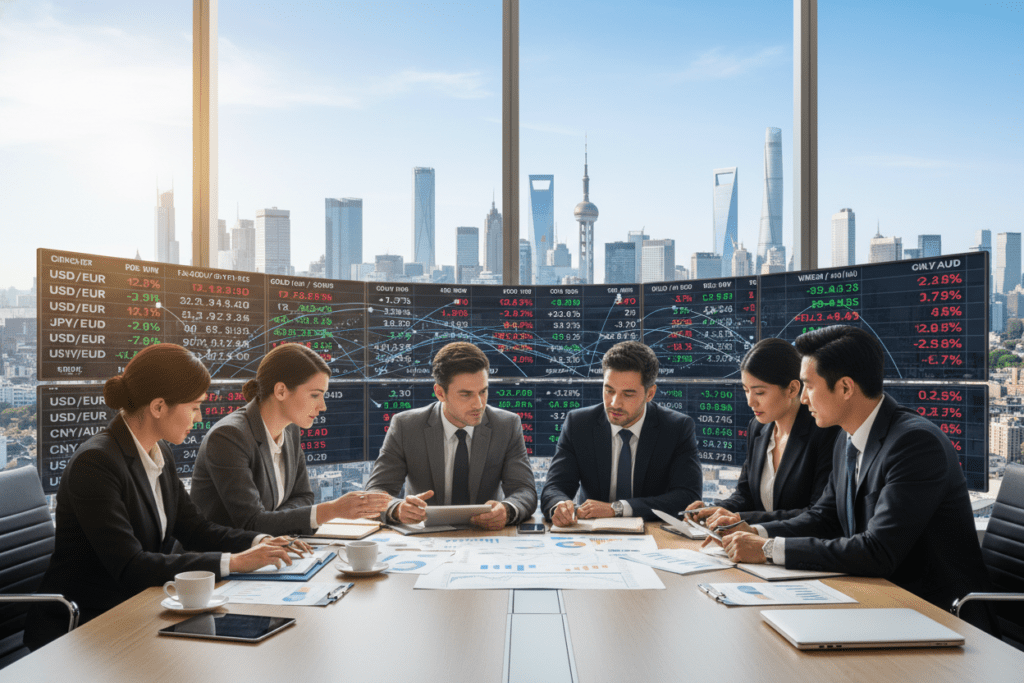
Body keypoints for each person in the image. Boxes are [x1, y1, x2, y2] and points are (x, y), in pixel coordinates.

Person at [25, 344, 308, 650]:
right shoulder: (96, 463)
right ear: (158, 407)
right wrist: (236, 562)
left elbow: (194, 528)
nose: (198, 418)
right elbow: (131, 566)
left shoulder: (159, 454)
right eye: (194, 406)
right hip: (87, 624)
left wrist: (257, 543)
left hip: (141, 608)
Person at [710, 326, 990, 615]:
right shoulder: (847, 437)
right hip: (877, 599)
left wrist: (768, 550)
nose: (803, 398)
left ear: (844, 388)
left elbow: (877, 551)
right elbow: (825, 518)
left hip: (937, 612)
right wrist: (752, 531)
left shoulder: (914, 444)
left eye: (809, 385)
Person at [191, 343, 390, 535]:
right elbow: (252, 523)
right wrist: (332, 510)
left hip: (270, 551)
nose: (323, 406)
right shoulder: (229, 437)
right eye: (315, 395)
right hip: (225, 560)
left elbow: (303, 496)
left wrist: (272, 520)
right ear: (281, 391)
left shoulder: (290, 430)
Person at [365, 341, 537, 530]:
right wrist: (397, 509)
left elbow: (524, 490)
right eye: (466, 394)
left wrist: (508, 510)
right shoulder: (406, 426)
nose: (478, 404)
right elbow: (376, 491)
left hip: (484, 535)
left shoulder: (506, 425)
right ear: (440, 393)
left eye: (483, 391)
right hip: (425, 537)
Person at [541, 340, 701, 525]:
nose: (615, 403)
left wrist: (617, 509)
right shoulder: (579, 424)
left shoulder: (677, 428)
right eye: (609, 390)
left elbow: (688, 497)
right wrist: (559, 506)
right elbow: (554, 487)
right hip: (592, 535)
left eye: (628, 394)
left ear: (650, 394)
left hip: (653, 532)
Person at [685, 338, 840, 524]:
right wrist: (715, 510)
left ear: (792, 389)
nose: (750, 402)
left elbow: (819, 513)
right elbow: (745, 495)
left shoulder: (825, 431)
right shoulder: (758, 427)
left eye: (759, 393)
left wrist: (741, 519)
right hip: (753, 543)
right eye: (746, 390)